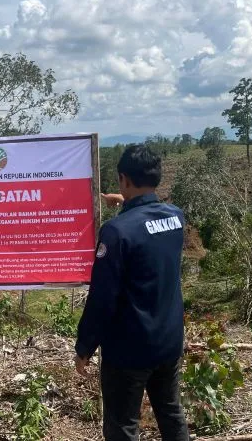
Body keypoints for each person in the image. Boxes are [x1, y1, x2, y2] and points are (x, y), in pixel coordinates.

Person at [75, 144, 189, 441]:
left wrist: (84, 346)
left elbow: (102, 298)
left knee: (123, 425)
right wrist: (126, 204)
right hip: (168, 341)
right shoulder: (176, 218)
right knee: (171, 412)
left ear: (123, 178)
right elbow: (147, 228)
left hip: (129, 349)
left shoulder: (116, 231)